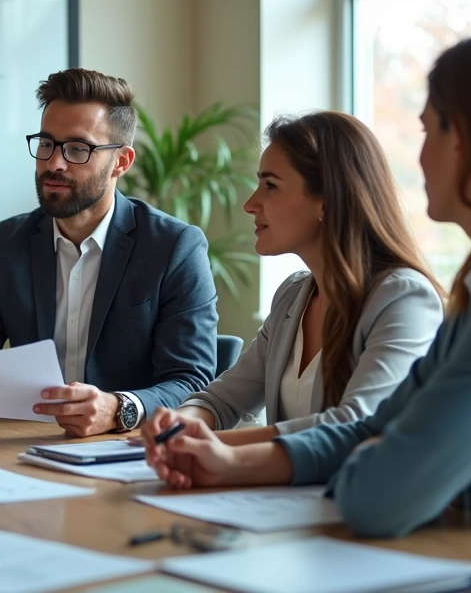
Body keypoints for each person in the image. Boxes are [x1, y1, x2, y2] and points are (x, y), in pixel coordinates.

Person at [142, 24, 471, 550]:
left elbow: (379, 494)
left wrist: (372, 457)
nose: (418, 157)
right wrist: (228, 463)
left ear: (464, 142)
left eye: (427, 131)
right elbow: (372, 430)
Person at [0, 68, 219, 438]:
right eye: (46, 144)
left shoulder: (174, 247)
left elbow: (192, 381)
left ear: (121, 162)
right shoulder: (6, 243)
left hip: (128, 451)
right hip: (25, 446)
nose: (54, 163)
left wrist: (119, 409)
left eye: (78, 149)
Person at [176, 112, 443, 445]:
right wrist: (180, 423)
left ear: (327, 200)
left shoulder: (403, 299)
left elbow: (355, 423)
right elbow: (222, 399)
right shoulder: (293, 295)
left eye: (270, 186)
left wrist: (216, 446)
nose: (250, 204)